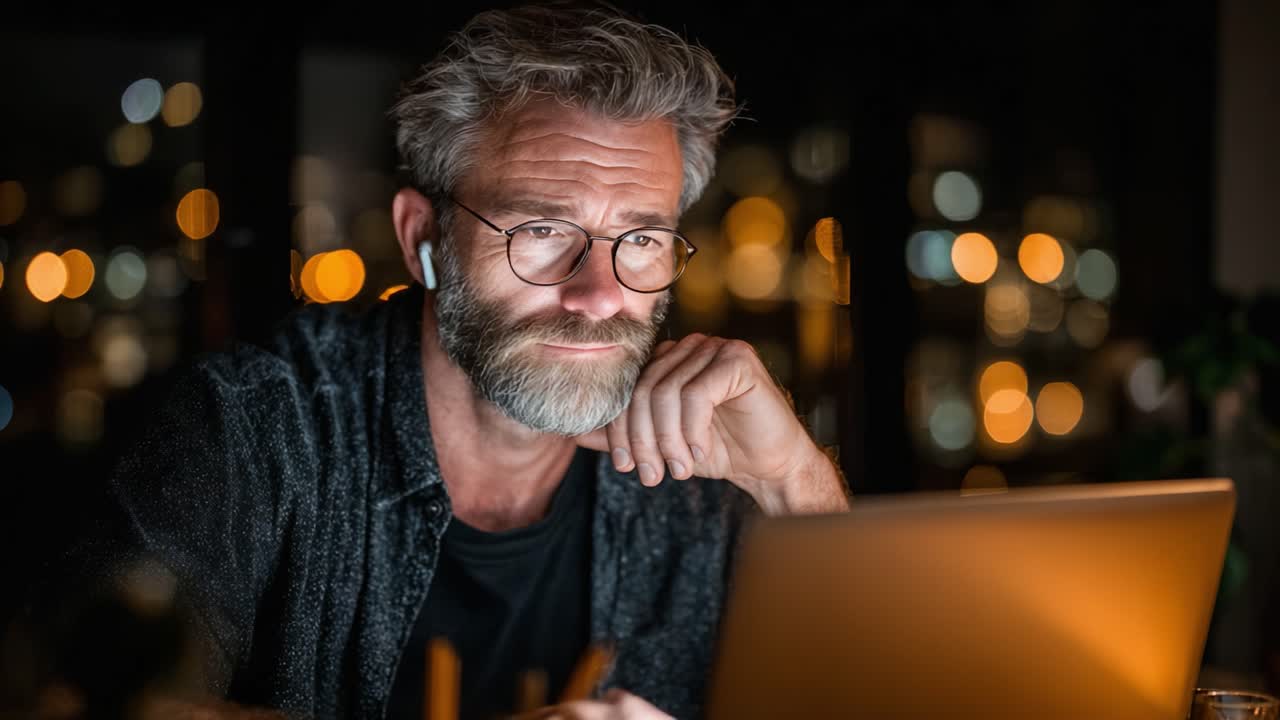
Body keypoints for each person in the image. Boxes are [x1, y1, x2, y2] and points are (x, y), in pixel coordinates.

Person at [27, 3, 850, 719]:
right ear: (423, 240)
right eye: (541, 232)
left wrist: (793, 483)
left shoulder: (702, 468)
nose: (600, 294)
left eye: (639, 239)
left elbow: (866, 692)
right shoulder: (254, 427)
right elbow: (88, 704)